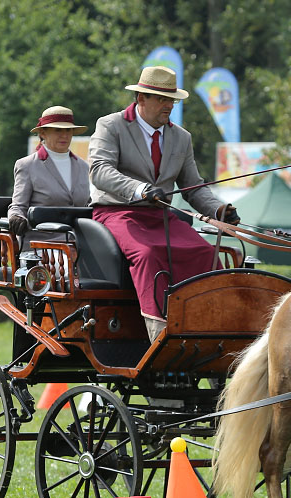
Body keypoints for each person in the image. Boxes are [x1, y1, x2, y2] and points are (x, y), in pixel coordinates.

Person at [89, 66, 239, 342]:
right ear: (141, 99)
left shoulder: (182, 137)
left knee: (206, 254)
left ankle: (212, 328)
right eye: (162, 99)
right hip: (117, 213)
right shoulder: (110, 126)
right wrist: (138, 189)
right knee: (147, 254)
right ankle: (160, 336)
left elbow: (194, 188)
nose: (169, 105)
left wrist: (219, 209)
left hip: (161, 216)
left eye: (172, 100)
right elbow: (99, 170)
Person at [7, 106, 90, 250]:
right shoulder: (27, 165)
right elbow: (18, 206)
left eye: (68, 130)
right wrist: (17, 218)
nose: (64, 135)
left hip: (80, 245)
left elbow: (87, 205)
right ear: (43, 133)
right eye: (58, 130)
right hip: (41, 247)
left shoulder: (83, 166)